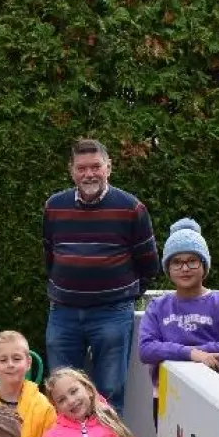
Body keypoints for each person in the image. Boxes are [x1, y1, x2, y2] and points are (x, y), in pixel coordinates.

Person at [42, 138, 160, 412]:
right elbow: (50, 254)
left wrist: (121, 294)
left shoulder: (131, 208)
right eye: (82, 168)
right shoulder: (54, 207)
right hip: (63, 313)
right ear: (72, 171)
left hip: (112, 313)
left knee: (110, 391)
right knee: (62, 390)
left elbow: (149, 264)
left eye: (95, 166)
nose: (89, 174)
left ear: (109, 167)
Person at [138, 218, 219, 385]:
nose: (185, 268)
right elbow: (146, 350)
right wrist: (191, 354)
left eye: (192, 261)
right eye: (176, 262)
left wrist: (203, 351)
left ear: (204, 265)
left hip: (213, 390)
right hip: (168, 394)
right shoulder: (158, 306)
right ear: (168, 268)